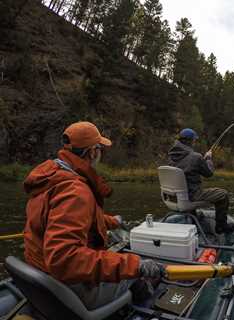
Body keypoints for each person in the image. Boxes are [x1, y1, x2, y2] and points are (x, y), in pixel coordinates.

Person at [23, 121, 165, 309]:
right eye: (99, 149)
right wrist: (136, 265)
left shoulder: (52, 177)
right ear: (92, 152)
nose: (100, 153)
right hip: (71, 289)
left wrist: (112, 221)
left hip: (42, 277)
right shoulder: (75, 191)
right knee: (138, 276)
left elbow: (69, 217)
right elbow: (65, 259)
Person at [168, 128, 234, 234]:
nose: (195, 143)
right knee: (223, 195)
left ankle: (194, 218)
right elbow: (209, 173)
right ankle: (221, 226)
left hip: (175, 197)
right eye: (194, 140)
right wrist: (208, 159)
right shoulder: (196, 157)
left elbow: (188, 167)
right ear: (191, 141)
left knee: (187, 188)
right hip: (192, 196)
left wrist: (202, 160)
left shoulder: (171, 157)